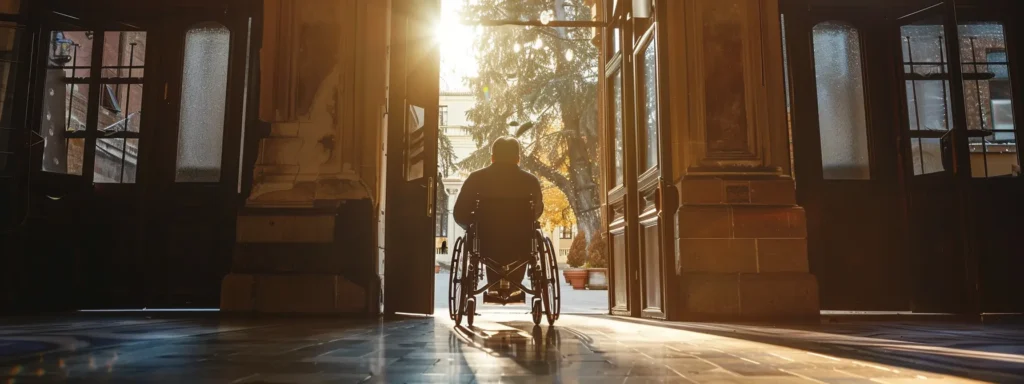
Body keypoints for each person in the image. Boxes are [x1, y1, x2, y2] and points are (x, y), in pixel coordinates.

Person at [453, 136, 543, 303]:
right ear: (518, 158)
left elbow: (459, 213)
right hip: (520, 242)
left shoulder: (476, 178)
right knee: (528, 237)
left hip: (486, 242)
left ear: (492, 157)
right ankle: (515, 285)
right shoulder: (530, 181)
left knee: (479, 241)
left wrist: (470, 225)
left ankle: (493, 285)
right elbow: (537, 211)